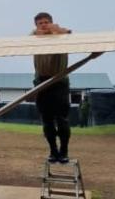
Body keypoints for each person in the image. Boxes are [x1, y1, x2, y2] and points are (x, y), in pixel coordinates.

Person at [31, 12, 72, 164]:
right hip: (41, 82)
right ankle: (53, 151)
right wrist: (42, 33)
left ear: (52, 22)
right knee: (47, 121)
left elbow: (69, 34)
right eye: (40, 23)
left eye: (46, 22)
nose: (44, 25)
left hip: (59, 81)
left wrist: (57, 31)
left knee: (62, 120)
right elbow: (31, 35)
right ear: (36, 25)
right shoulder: (34, 37)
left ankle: (64, 150)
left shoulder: (62, 34)